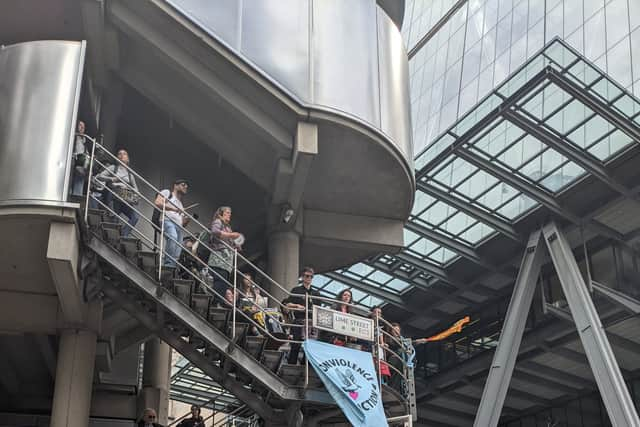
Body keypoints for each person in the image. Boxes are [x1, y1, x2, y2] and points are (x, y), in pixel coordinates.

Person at [95, 148, 139, 237]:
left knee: (135, 217)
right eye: (119, 154)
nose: (122, 155)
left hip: (125, 198)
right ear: (117, 158)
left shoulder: (130, 175)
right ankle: (113, 237)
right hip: (115, 196)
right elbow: (99, 176)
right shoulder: (113, 168)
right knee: (114, 220)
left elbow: (136, 190)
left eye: (124, 154)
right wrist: (111, 179)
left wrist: (128, 188)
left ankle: (124, 234)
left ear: (128, 159)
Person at [282, 266, 320, 364]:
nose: (309, 278)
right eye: (307, 276)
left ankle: (304, 365)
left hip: (311, 322)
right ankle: (291, 364)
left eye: (311, 277)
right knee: (296, 345)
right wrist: (297, 306)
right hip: (299, 320)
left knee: (310, 346)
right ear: (302, 277)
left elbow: (319, 308)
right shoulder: (296, 290)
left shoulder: (316, 293)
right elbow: (287, 304)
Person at [208, 206, 242, 305]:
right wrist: (231, 235)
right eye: (227, 212)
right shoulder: (218, 221)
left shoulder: (228, 228)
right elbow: (215, 232)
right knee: (219, 282)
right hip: (219, 259)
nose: (229, 214)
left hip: (227, 262)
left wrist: (237, 244)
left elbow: (231, 242)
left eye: (230, 213)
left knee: (223, 284)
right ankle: (215, 304)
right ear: (221, 213)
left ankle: (217, 303)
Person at [154, 179, 190, 268]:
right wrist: (173, 209)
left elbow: (183, 224)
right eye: (183, 185)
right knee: (173, 237)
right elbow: (157, 202)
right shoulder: (167, 193)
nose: (185, 187)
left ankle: (171, 267)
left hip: (178, 226)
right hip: (167, 220)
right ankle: (168, 264)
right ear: (175, 185)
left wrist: (187, 219)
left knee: (178, 249)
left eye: (186, 186)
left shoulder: (181, 204)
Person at [71, 120, 90, 197]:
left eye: (83, 126)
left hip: (80, 162)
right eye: (80, 125)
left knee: (80, 174)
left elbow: (86, 152)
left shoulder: (84, 139)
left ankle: (77, 195)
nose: (82, 127)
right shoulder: (73, 136)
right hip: (73, 159)